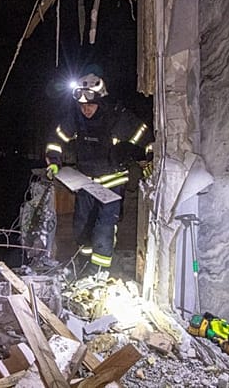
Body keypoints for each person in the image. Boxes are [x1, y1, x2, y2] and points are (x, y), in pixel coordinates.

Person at [45, 73, 152, 277]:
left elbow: (147, 138)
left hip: (112, 183)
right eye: (82, 106)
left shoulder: (117, 118)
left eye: (90, 106)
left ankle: (100, 270)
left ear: (101, 102)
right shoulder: (75, 119)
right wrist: (54, 164)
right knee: (81, 226)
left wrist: (150, 160)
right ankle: (85, 261)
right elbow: (55, 141)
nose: (85, 110)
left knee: (104, 227)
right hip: (85, 182)